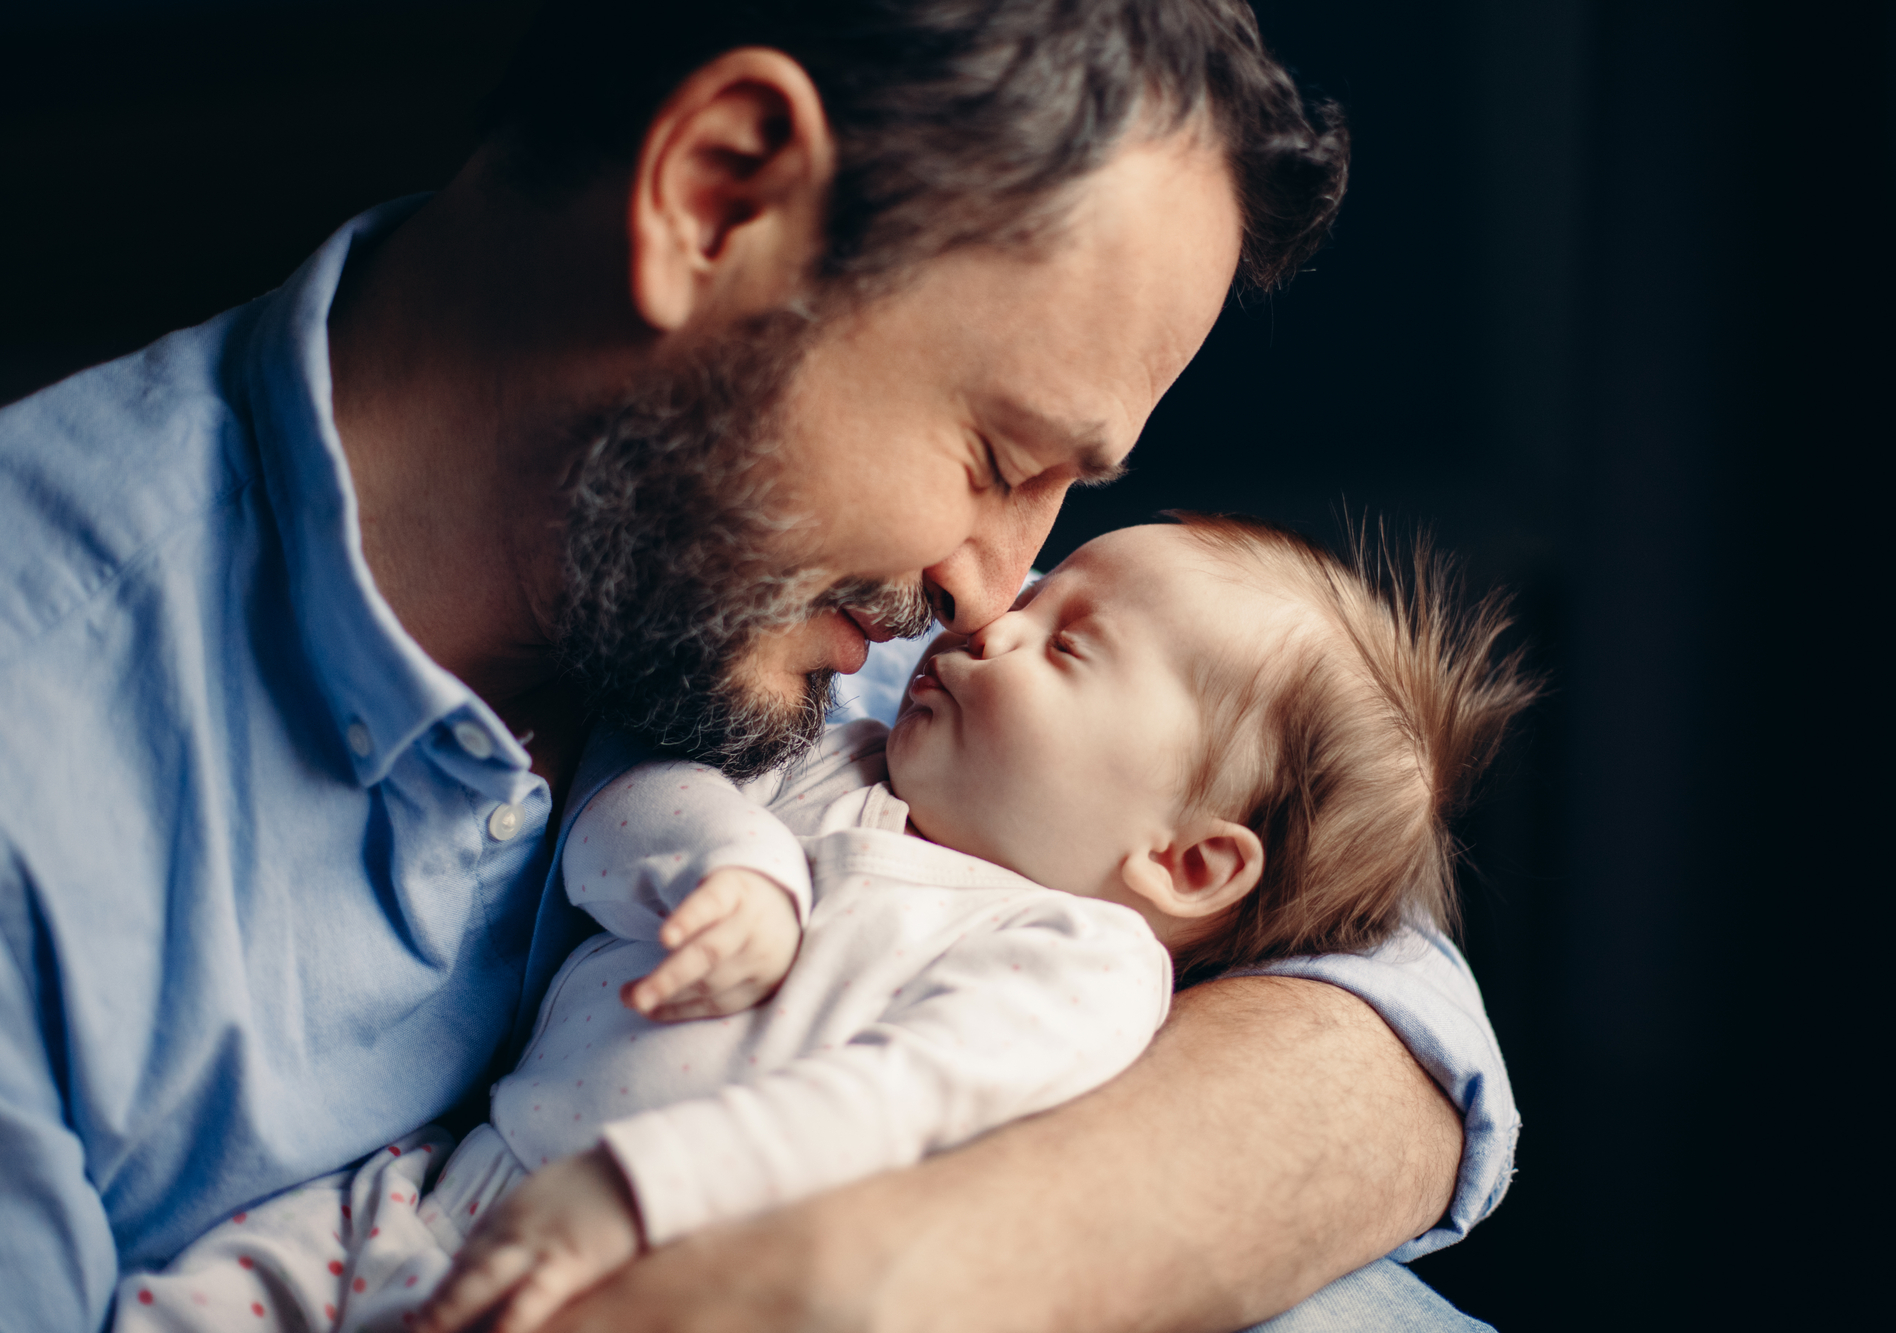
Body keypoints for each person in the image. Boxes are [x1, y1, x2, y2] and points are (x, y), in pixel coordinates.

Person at [0, 2, 1515, 1328]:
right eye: (996, 453)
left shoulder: (849, 627)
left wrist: (909, 1275)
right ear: (719, 200)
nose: (994, 590)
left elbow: (1383, 1007)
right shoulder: (44, 765)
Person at [107, 516, 1533, 1333]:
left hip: (656, 1252)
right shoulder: (833, 756)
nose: (988, 623)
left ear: (1185, 857)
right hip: (441, 1184)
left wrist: (640, 1192)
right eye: (1036, 593)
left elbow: (885, 1099)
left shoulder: (1079, 968)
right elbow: (631, 806)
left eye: (1070, 642)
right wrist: (735, 868)